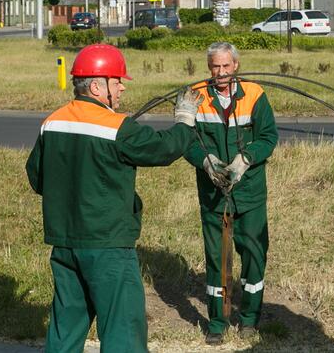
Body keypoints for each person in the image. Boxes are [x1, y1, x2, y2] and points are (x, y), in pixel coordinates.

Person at [25, 44, 202, 353]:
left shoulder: (52, 122)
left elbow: (37, 178)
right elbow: (163, 149)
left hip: (65, 245)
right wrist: (185, 120)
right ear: (96, 86)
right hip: (107, 246)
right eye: (117, 81)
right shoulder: (117, 127)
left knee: (65, 328)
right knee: (123, 331)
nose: (121, 87)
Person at [183, 42, 278, 345]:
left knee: (253, 253)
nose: (220, 73)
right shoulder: (195, 96)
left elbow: (269, 137)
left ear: (236, 65)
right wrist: (205, 161)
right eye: (215, 67)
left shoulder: (254, 95)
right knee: (217, 259)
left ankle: (249, 319)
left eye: (226, 66)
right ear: (208, 66)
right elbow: (186, 140)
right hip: (213, 195)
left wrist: (247, 158)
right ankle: (217, 322)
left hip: (249, 193)